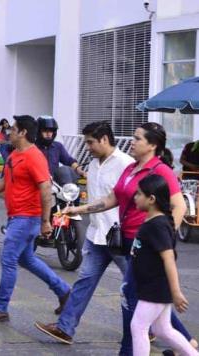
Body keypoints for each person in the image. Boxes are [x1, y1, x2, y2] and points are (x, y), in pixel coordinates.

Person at [53, 122, 195, 355]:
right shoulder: (131, 169)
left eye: (138, 138)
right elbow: (112, 199)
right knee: (153, 312)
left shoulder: (160, 171)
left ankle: (130, 350)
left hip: (147, 247)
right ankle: (188, 345)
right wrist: (77, 210)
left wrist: (164, 237)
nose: (132, 141)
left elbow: (178, 205)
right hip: (128, 242)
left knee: (135, 304)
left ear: (152, 145)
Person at [35, 121, 134, 344]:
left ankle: (161, 329)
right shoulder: (94, 165)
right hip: (96, 235)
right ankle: (65, 328)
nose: (87, 147)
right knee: (84, 282)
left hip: (119, 237)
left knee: (137, 286)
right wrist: (75, 209)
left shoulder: (126, 164)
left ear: (104, 140)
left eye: (90, 142)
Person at [0, 115, 71, 323]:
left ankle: (0, 307)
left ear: (23, 132)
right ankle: (65, 292)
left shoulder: (34, 157)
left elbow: (45, 188)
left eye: (13, 129)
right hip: (17, 217)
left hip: (27, 218)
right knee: (27, 259)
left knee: (8, 260)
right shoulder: (15, 155)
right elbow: (5, 182)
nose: (9, 132)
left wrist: (45, 221)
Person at [130, 174, 198, 356]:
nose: (135, 197)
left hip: (156, 287)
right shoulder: (153, 221)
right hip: (152, 285)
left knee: (138, 327)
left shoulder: (157, 225)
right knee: (162, 329)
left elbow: (169, 259)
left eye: (138, 194)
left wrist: (176, 292)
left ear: (151, 199)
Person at [36, 115, 86, 184]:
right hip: (37, 183)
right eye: (45, 131)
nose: (48, 133)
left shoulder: (57, 146)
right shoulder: (32, 148)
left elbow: (68, 160)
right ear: (38, 132)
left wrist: (78, 169)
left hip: (55, 184)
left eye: (51, 131)